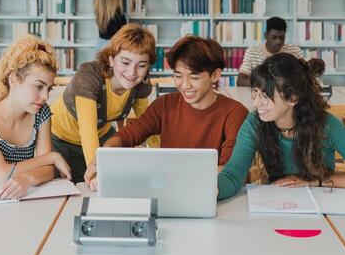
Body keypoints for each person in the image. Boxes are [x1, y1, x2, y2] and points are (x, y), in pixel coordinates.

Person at [85, 35, 250, 191]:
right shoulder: (165, 104)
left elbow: (230, 171)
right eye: (178, 76)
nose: (184, 85)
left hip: (214, 196)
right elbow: (129, 134)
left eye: (194, 77)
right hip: (167, 193)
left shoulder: (235, 113)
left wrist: (169, 174)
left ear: (215, 75)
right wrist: (104, 155)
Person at [218, 53, 345, 200]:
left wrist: (315, 182)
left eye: (265, 96)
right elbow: (233, 175)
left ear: (293, 98)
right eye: (254, 92)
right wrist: (212, 191)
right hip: (275, 203)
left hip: (321, 204)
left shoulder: (326, 126)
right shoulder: (254, 122)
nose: (256, 102)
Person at [0, 35, 72, 200]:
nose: (45, 96)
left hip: (12, 200)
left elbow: (47, 170)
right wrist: (51, 157)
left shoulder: (41, 112)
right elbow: (3, 174)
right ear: (14, 79)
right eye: (39, 86)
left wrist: (28, 178)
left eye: (49, 89)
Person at [51, 23, 156, 183]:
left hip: (102, 135)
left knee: (121, 177)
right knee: (73, 183)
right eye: (125, 62)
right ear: (111, 59)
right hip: (60, 137)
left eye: (141, 65)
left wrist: (161, 159)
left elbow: (148, 126)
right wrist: (95, 172)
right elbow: (87, 131)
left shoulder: (142, 83)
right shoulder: (89, 76)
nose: (132, 72)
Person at [237, 16, 301, 87]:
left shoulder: (294, 51)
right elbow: (240, 81)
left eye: (281, 38)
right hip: (260, 95)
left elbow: (305, 77)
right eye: (274, 37)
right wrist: (267, 85)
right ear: (265, 35)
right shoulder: (252, 51)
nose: (278, 41)